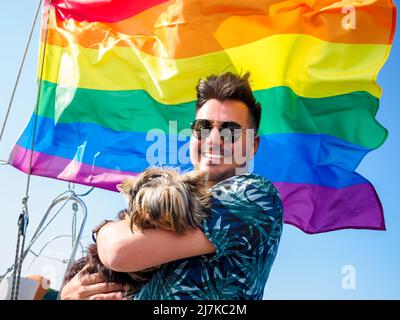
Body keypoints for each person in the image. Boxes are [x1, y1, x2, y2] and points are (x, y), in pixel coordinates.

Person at [60, 72, 283, 300]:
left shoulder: (255, 196)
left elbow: (118, 252)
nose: (214, 139)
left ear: (253, 144)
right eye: (203, 127)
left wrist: (104, 229)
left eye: (231, 130)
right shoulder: (173, 200)